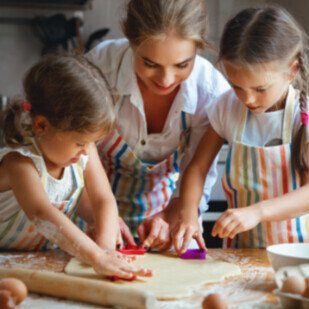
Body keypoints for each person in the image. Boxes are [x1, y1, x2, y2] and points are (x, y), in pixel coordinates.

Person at [80, 0, 230, 250]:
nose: (166, 80)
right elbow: (75, 155)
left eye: (182, 65)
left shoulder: (211, 92)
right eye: (150, 64)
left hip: (170, 210)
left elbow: (197, 172)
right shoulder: (100, 68)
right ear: (131, 41)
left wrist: (169, 216)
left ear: (199, 48)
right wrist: (102, 216)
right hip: (88, 208)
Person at [0, 54, 151, 279]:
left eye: (92, 142)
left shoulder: (82, 152)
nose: (86, 150)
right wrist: (97, 258)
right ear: (42, 125)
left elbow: (104, 200)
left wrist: (106, 249)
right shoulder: (19, 164)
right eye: (80, 142)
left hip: (38, 261)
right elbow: (43, 214)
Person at [173, 5, 309, 251]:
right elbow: (197, 169)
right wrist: (189, 214)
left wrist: (258, 212)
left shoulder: (304, 114)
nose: (248, 100)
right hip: (240, 250)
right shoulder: (227, 107)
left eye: (260, 89)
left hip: (298, 253)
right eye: (236, 86)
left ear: (292, 70)